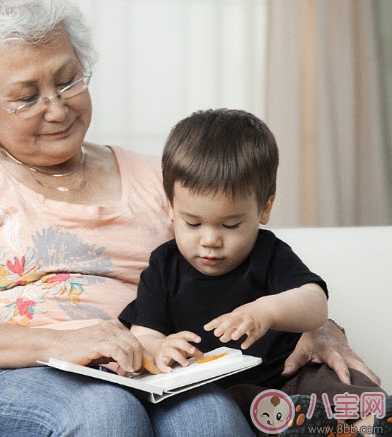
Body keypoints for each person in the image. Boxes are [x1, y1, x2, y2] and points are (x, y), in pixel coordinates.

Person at [0, 0, 381, 435]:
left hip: (148, 374)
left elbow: (251, 270)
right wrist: (68, 344)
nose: (57, 107)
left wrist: (321, 329)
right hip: (1, 385)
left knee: (210, 417)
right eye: (26, 97)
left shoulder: (162, 179)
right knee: (104, 413)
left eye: (68, 81)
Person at [119, 108, 390, 436]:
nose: (210, 241)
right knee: (240, 399)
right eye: (192, 223)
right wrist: (158, 348)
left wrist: (267, 311)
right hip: (225, 393)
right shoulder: (163, 266)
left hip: (290, 375)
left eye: (230, 225)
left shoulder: (268, 254)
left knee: (338, 378)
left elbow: (315, 303)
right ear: (171, 207)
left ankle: (369, 420)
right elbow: (141, 334)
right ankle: (302, 423)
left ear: (265, 208)